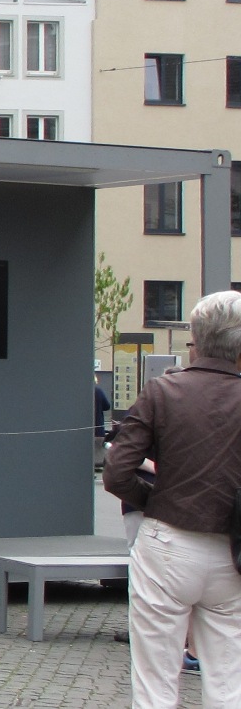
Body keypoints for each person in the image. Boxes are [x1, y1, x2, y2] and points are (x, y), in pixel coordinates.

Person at [104, 291, 241, 708]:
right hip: (233, 550)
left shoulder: (161, 392)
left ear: (196, 339)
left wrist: (152, 498)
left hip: (166, 541)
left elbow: (116, 472)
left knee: (155, 678)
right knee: (229, 678)